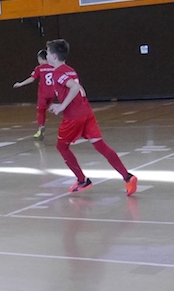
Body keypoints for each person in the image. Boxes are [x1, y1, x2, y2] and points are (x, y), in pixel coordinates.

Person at [46, 39, 138, 196]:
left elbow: (75, 87)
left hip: (73, 116)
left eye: (48, 53)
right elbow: (79, 88)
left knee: (62, 147)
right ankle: (127, 177)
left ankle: (82, 180)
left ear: (54, 56)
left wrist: (61, 106)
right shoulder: (70, 70)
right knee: (100, 145)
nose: (46, 55)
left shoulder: (58, 72)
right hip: (87, 112)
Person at [13, 49, 55, 140]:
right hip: (53, 93)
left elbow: (32, 79)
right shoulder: (54, 67)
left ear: (40, 58)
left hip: (43, 94)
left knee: (40, 111)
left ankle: (41, 127)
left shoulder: (39, 68)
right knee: (47, 108)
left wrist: (21, 84)